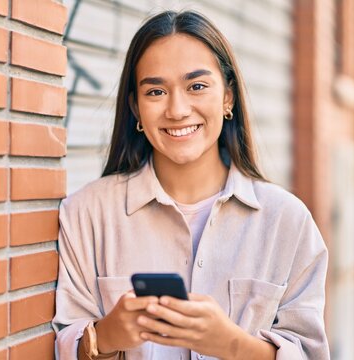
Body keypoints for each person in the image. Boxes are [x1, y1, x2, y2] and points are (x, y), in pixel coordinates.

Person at [53, 10, 330, 360]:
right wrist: (107, 336)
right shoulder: (86, 215)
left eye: (197, 86)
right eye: (155, 91)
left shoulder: (287, 221)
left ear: (228, 97)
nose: (178, 109)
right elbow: (65, 344)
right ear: (136, 109)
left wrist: (229, 343)